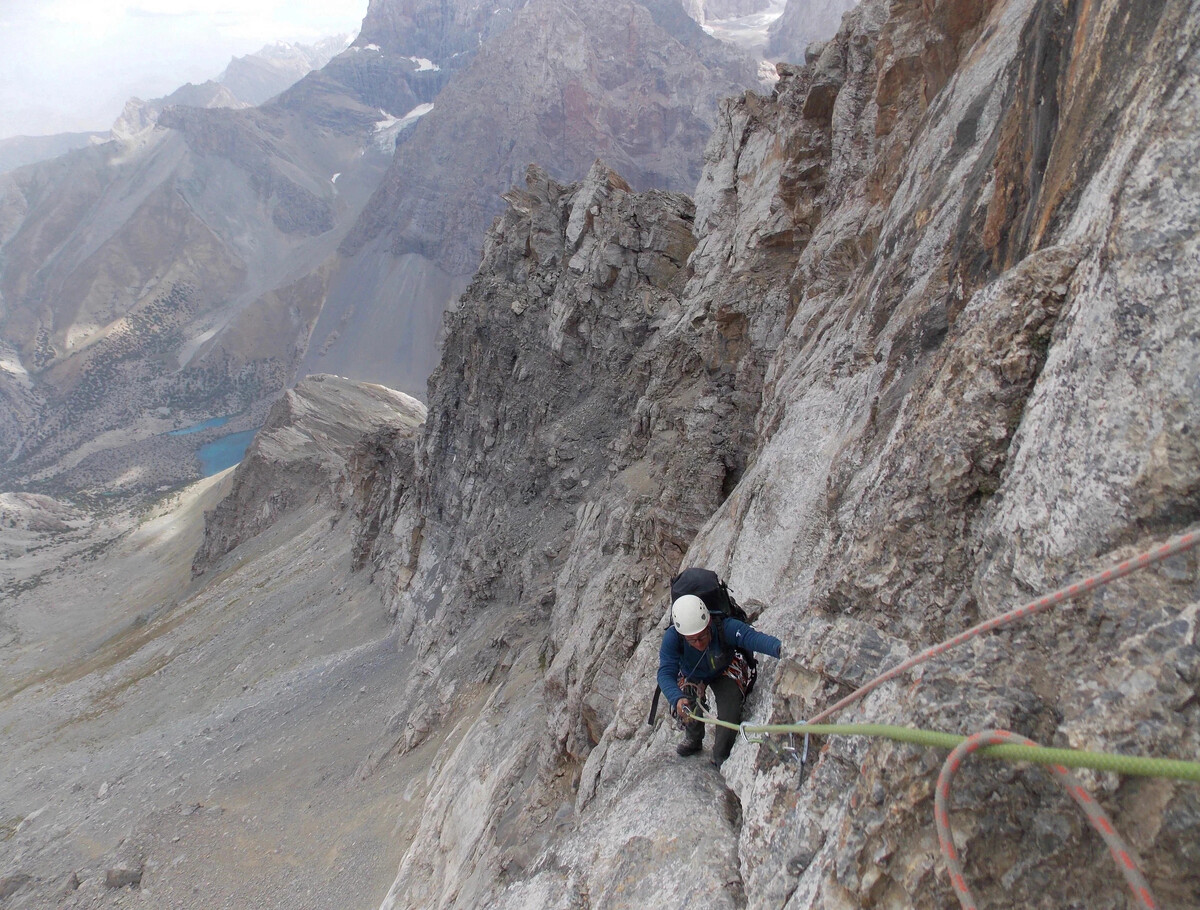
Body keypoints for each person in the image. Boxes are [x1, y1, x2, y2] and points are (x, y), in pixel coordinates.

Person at [657, 588, 783, 766]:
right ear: (682, 635)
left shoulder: (724, 626)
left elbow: (753, 638)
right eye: (692, 640)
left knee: (729, 711)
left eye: (702, 636)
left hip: (724, 668)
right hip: (691, 674)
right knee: (688, 705)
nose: (699, 643)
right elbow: (665, 672)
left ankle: (720, 756)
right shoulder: (673, 637)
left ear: (708, 623)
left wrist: (781, 649)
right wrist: (676, 698)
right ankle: (694, 738)